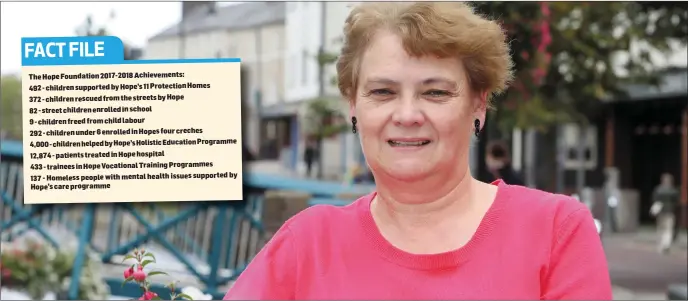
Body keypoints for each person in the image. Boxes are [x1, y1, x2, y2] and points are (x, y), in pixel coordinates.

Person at [224, 2, 611, 300]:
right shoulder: (307, 243)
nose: (407, 115)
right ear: (353, 106)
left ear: (478, 105)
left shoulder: (555, 231)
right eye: (382, 92)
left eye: (436, 92)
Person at [650, 173, 680, 254]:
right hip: (670, 211)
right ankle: (666, 244)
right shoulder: (673, 191)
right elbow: (676, 201)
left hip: (660, 211)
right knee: (668, 229)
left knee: (660, 228)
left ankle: (660, 245)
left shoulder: (658, 189)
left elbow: (654, 199)